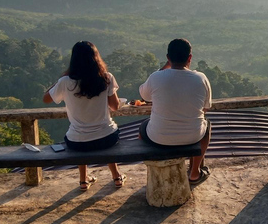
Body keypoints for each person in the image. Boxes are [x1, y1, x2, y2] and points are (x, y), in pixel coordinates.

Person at [43, 41, 125, 190]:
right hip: (107, 139)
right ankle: (117, 176)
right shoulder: (106, 78)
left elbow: (46, 98)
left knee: (80, 132)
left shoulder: (66, 82)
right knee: (105, 129)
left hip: (78, 143)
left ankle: (83, 180)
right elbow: (115, 106)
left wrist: (63, 77)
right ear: (96, 58)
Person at [139, 38, 212, 185]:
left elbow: (144, 96)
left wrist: (165, 67)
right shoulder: (201, 78)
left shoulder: (156, 77)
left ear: (168, 58)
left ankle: (154, 169)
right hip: (192, 137)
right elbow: (205, 108)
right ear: (189, 57)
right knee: (207, 126)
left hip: (158, 138)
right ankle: (194, 172)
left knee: (142, 127)